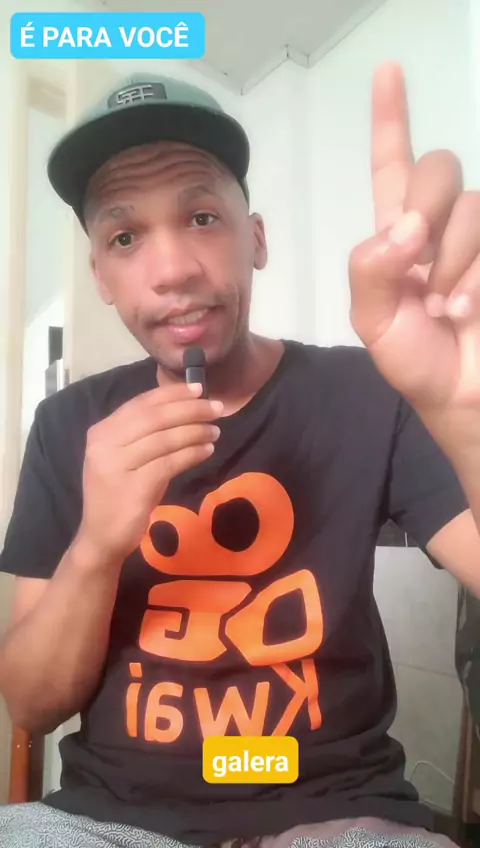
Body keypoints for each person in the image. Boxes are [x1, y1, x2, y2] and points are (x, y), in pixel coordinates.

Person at [0, 62, 479, 848]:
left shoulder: (371, 391)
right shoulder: (66, 426)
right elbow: (31, 705)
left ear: (255, 239)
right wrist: (96, 549)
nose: (173, 270)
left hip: (336, 810)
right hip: (109, 818)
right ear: (102, 277)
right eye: (125, 237)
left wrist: (469, 421)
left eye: (201, 217)